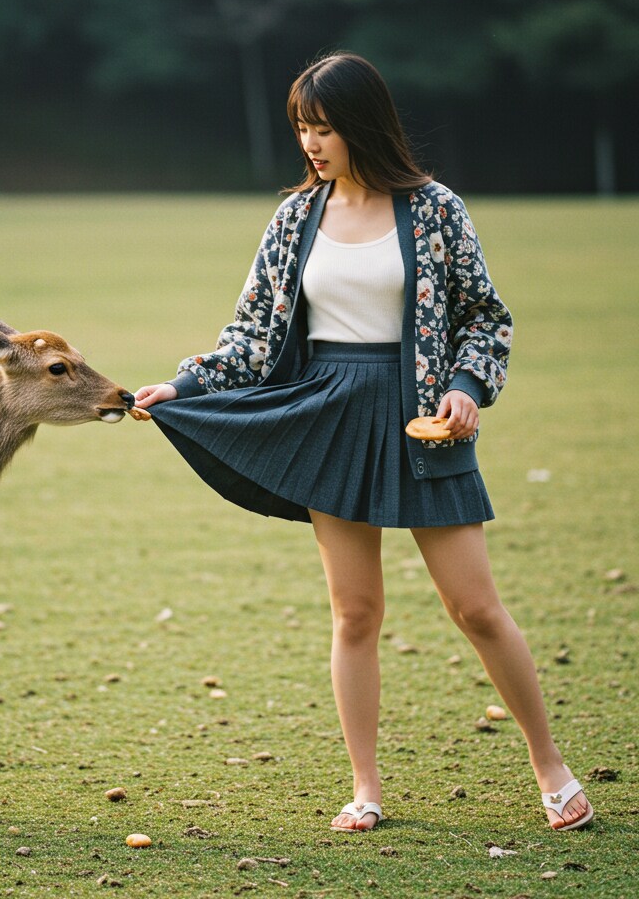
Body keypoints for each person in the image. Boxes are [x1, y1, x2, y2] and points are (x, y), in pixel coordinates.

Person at [133, 52, 592, 833]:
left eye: (326, 127)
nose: (311, 143)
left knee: (476, 607)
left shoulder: (436, 208)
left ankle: (551, 769)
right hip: (329, 419)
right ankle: (367, 789)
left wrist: (466, 388)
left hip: (424, 421)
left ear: (363, 125)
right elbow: (249, 334)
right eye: (303, 128)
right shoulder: (293, 219)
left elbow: (485, 316)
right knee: (355, 613)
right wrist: (184, 386)